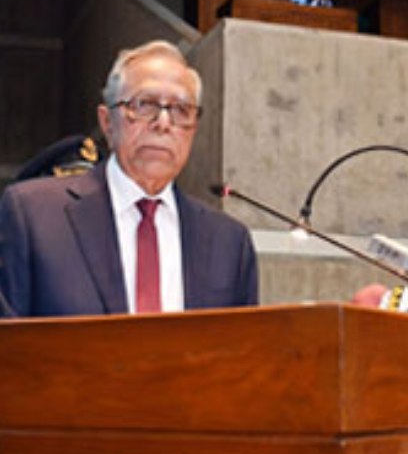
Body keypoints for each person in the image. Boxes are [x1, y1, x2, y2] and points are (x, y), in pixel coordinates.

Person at [0, 40, 257, 317]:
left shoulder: (229, 244)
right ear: (107, 122)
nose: (163, 123)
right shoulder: (33, 217)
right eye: (144, 105)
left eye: (181, 109)